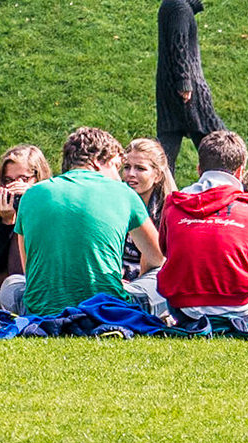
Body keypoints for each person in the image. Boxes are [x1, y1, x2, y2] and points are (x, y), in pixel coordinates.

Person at [13, 127, 164, 317]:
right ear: (97, 162)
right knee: (165, 276)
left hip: (41, 309)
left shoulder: (31, 194)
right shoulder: (122, 193)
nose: (119, 177)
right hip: (109, 309)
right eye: (116, 167)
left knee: (12, 284)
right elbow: (157, 257)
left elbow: (29, 270)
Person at [157, 131, 248, 321]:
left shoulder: (175, 202)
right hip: (241, 307)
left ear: (198, 169)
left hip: (183, 308)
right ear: (240, 172)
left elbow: (164, 248)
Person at [156, 0, 224, 174]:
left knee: (167, 149)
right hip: (187, 91)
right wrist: (185, 82)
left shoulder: (174, 2)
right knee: (219, 143)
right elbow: (179, 47)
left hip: (171, 87)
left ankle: (157, 197)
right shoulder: (179, 6)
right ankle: (234, 189)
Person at [0, 145, 52, 289]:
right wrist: (6, 222)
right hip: (2, 282)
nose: (15, 185)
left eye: (23, 178)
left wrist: (33, 199)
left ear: (37, 178)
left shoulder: (50, 204)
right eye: (8, 180)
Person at [120, 138, 176, 281]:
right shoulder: (114, 202)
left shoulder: (169, 211)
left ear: (157, 175)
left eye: (140, 168)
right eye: (127, 167)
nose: (131, 174)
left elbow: (161, 262)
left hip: (153, 281)